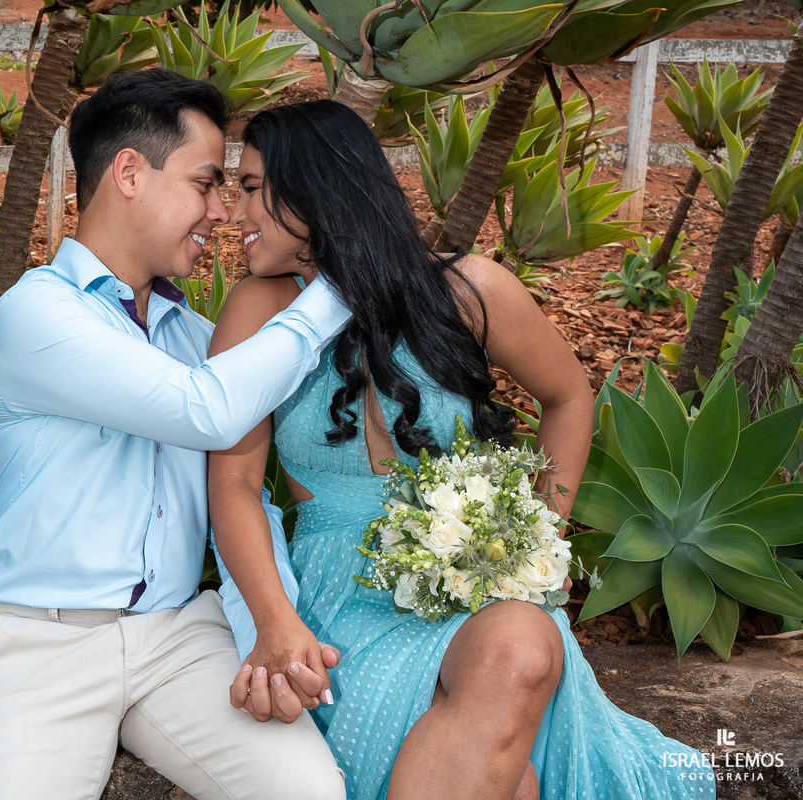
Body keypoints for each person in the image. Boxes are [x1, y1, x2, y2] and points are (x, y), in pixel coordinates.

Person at [209, 99, 715, 800]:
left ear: (316, 187)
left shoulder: (471, 290)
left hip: (475, 583)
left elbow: (568, 397)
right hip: (338, 596)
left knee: (521, 647)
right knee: (512, 778)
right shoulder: (258, 309)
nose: (232, 213)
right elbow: (233, 483)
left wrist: (541, 534)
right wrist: (275, 623)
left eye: (252, 188)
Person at [0, 70, 351, 800]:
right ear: (129, 173)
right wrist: (341, 286)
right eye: (206, 184)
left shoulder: (193, 336)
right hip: (42, 642)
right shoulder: (37, 314)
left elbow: (249, 462)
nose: (222, 213)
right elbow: (206, 410)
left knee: (307, 792)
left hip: (178, 637)